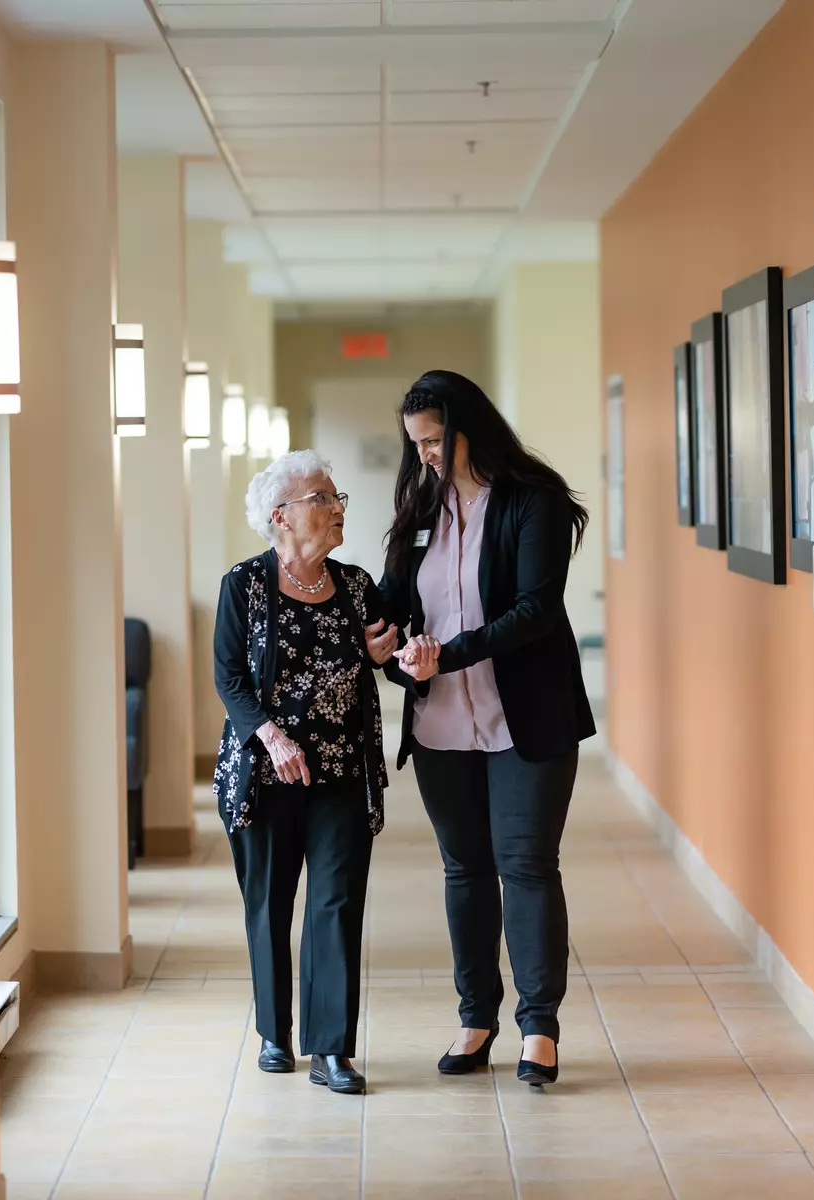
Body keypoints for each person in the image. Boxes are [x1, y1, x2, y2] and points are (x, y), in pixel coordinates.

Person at [380, 369, 596, 1089]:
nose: (428, 456)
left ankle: (540, 1028)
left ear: (471, 427)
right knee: (465, 870)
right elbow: (393, 604)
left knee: (527, 865)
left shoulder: (532, 503)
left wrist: (449, 651)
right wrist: (388, 646)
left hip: (526, 717)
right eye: (417, 445)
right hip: (441, 721)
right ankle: (476, 1018)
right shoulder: (418, 509)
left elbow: (536, 609)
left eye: (436, 440)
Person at [212, 449, 404, 1095]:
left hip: (342, 768)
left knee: (335, 902)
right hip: (267, 772)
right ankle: (274, 1031)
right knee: (269, 903)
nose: (337, 506)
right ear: (281, 516)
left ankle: (331, 1049)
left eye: (336, 495)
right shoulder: (244, 584)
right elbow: (230, 679)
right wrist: (271, 739)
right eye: (323, 497)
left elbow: (384, 656)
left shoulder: (354, 585)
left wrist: (388, 654)